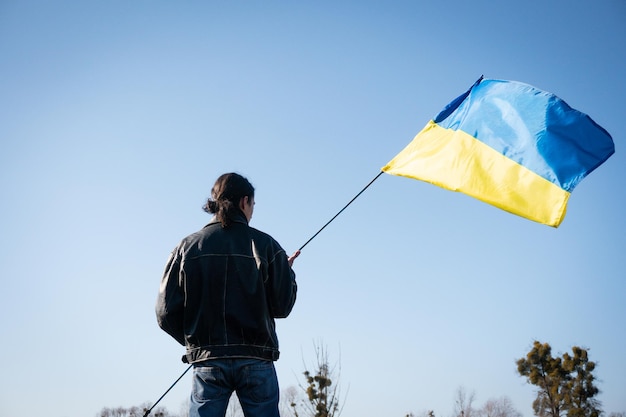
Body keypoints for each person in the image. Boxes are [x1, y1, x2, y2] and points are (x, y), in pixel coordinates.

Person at [156, 172, 300, 417]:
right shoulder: (267, 246)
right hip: (257, 358)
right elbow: (282, 307)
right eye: (253, 204)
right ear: (245, 201)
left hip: (208, 361)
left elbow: (165, 313)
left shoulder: (186, 247)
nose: (253, 210)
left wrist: (198, 342)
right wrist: (286, 274)